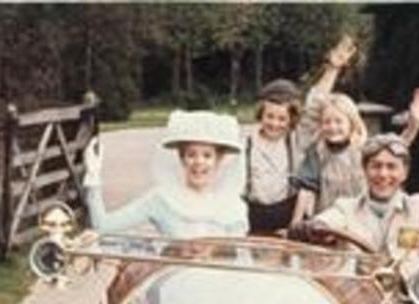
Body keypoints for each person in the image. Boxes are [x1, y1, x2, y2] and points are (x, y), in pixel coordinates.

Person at [289, 36, 419, 226]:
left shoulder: (363, 148)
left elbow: (397, 146)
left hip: (360, 225)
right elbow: (307, 190)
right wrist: (296, 222)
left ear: (352, 123)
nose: (332, 127)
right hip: (324, 224)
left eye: (339, 121)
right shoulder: (317, 151)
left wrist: (414, 123)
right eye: (327, 122)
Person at [290, 114, 419, 255]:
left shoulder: (418, 207)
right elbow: (328, 221)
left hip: (403, 299)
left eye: (392, 167)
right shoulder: (346, 208)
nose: (383, 174)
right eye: (376, 166)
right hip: (355, 296)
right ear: (364, 170)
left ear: (404, 172)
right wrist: (312, 227)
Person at [82, 110, 247, 239]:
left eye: (207, 155)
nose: (198, 162)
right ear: (182, 159)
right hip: (176, 279)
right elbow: (103, 226)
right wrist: (93, 177)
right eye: (191, 154)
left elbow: (240, 257)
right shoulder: (162, 199)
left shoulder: (231, 205)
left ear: (218, 160)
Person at [243, 79, 306, 236]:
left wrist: (332, 70)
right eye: (269, 116)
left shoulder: (295, 140)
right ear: (261, 114)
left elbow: (316, 104)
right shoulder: (246, 141)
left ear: (291, 120)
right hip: (253, 214)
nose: (274, 123)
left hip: (285, 214)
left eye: (282, 119)